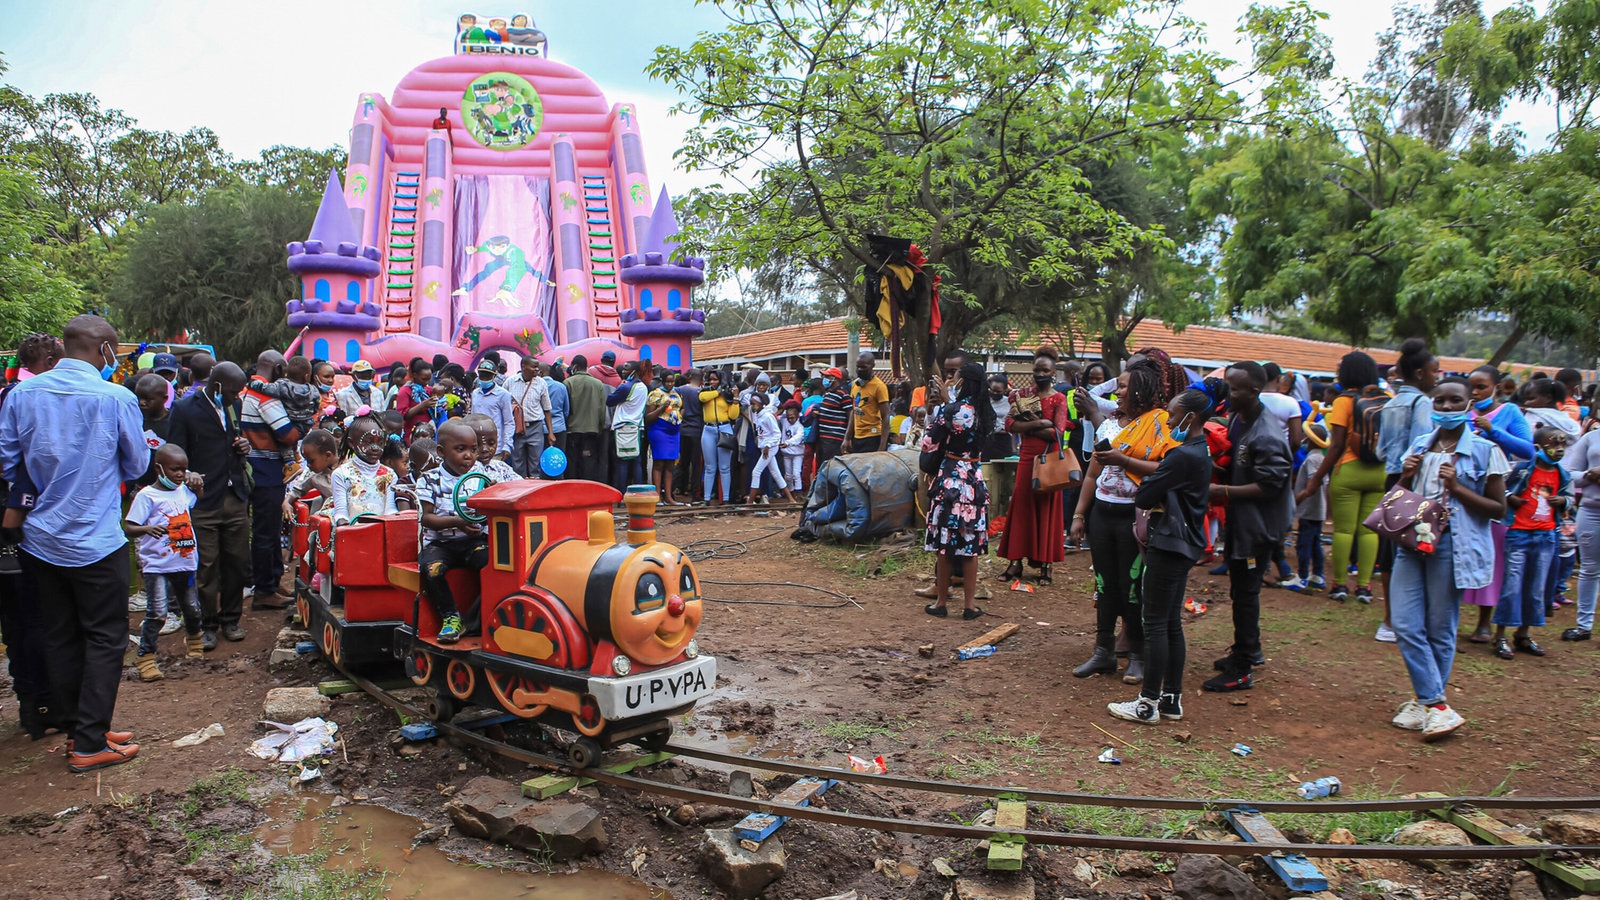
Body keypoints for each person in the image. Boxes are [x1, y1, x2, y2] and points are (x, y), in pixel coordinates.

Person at [0, 315, 148, 772]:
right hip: (96, 541)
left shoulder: (22, 395)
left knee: (60, 633)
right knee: (106, 638)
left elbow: (8, 462)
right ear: (105, 350)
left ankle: (81, 724)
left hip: (40, 539)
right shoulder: (116, 397)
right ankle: (88, 744)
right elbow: (138, 462)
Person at [1391, 377, 1508, 741]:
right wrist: (1406, 475)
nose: (1445, 408)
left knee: (1441, 628)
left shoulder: (1486, 451)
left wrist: (1457, 488)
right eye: (1438, 402)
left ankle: (1424, 702)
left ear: (1469, 403)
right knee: (1406, 623)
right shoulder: (1418, 446)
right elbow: (1395, 498)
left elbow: (1498, 508)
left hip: (1453, 544)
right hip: (1412, 541)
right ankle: (1435, 704)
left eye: (1454, 401)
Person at [1107, 389, 1213, 725]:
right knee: (1170, 624)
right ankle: (1171, 699)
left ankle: (1147, 703)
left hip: (1167, 542)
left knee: (1154, 623)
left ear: (1189, 417)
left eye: (1172, 413)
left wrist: (1154, 483)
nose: (1167, 420)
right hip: (1186, 543)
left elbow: (1145, 495)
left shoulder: (1182, 456)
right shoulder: (1201, 450)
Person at [1205, 362, 1294, 694]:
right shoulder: (1238, 420)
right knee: (1240, 589)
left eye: (1236, 389)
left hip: (1260, 528)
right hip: (1241, 522)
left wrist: (1221, 491)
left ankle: (1242, 667)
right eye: (1228, 386)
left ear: (1255, 392)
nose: (1229, 393)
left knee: (1245, 593)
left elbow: (1271, 484)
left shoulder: (1266, 433)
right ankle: (1248, 649)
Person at [1071, 368, 1148, 683]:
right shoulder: (1112, 425)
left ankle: (1138, 654)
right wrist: (1079, 515)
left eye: (1124, 387)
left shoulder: (1153, 426)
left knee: (1131, 587)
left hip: (1133, 515)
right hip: (1103, 514)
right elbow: (1093, 474)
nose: (1117, 393)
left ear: (1141, 391)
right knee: (1104, 585)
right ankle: (1103, 651)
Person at [169, 361, 252, 649]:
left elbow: (234, 439)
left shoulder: (234, 405)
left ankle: (231, 619)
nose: (236, 396)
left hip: (235, 496)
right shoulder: (184, 409)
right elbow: (174, 451)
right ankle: (208, 624)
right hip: (203, 499)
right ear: (217, 386)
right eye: (232, 391)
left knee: (237, 562)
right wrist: (186, 471)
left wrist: (244, 447)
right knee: (206, 566)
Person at [1297, 352, 1388, 604]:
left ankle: (1339, 585)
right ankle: (1365, 587)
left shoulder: (1343, 401)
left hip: (1348, 470)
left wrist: (1315, 481)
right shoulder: (1387, 399)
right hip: (1379, 472)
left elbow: (1335, 446)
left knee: (1344, 530)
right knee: (1369, 531)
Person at [1459, 365, 1535, 641]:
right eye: (1472, 387)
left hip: (1496, 496)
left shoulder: (1510, 413)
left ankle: (1484, 622)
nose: (1476, 392)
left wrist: (1493, 432)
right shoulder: (1461, 412)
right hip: (1461, 493)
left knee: (1494, 557)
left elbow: (1527, 450)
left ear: (1497, 387)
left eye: (1481, 387)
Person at [1373, 339, 1440, 641]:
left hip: (1392, 481)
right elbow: (1421, 446)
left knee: (1389, 550)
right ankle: (1410, 620)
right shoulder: (1422, 402)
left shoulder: (1390, 402)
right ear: (1420, 373)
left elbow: (1379, 451)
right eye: (1434, 372)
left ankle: (1389, 620)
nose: (1437, 377)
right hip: (1415, 481)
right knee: (1419, 547)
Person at [124, 444, 205, 681]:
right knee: (157, 612)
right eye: (174, 469)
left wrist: (197, 482)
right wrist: (147, 528)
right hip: (157, 565)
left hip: (186, 561)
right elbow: (129, 527)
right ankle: (146, 657)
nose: (180, 474)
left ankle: (194, 641)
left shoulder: (182, 491)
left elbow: (198, 498)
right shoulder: (147, 496)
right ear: (158, 468)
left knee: (191, 607)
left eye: (183, 469)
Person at [1491, 425, 1569, 660]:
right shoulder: (1523, 469)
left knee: (1536, 588)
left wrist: (1563, 500)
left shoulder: (1561, 474)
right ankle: (1500, 635)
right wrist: (1510, 498)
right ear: (1538, 447)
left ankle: (1523, 634)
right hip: (1519, 535)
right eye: (1553, 444)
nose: (1559, 449)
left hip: (1546, 536)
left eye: (1563, 444)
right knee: (1512, 586)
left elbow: (1570, 497)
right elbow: (1500, 489)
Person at [922, 362, 992, 620]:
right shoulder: (986, 412)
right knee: (970, 544)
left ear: (963, 382)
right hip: (974, 480)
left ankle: (941, 602)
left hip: (950, 479)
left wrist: (939, 407)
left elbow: (929, 443)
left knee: (945, 543)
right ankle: (970, 606)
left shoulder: (951, 410)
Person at [997, 346, 1071, 584]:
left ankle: (1045, 566)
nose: (1040, 373)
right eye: (1037, 369)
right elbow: (1010, 425)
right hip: (1027, 457)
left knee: (1047, 507)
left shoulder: (1059, 398)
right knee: (1021, 507)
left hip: (1050, 459)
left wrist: (1029, 424)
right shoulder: (1025, 394)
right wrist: (1041, 422)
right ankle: (1015, 562)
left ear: (1053, 372)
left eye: (1045, 370)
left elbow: (1057, 432)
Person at [415, 421, 488, 643]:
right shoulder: (429, 479)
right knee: (432, 569)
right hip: (440, 545)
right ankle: (450, 616)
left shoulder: (480, 474)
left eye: (473, 449)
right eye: (460, 449)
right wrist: (457, 522)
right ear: (441, 452)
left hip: (471, 541)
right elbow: (427, 518)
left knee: (497, 564)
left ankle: (473, 620)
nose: (469, 456)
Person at [241, 351, 303, 611]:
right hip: (266, 468)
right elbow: (287, 434)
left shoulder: (244, 391)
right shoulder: (265, 396)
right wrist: (300, 428)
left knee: (267, 528)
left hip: (252, 466)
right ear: (277, 368)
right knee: (267, 531)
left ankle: (272, 581)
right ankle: (265, 590)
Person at [331, 416, 401, 526]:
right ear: (351, 443)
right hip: (351, 533)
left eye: (380, 443)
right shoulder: (341, 474)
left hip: (381, 533)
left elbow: (390, 509)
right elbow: (341, 513)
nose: (375, 448)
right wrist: (345, 527)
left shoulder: (390, 475)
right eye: (369, 442)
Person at [1292, 421, 1329, 593]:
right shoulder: (1321, 457)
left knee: (1303, 544)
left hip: (1309, 510)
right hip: (1317, 510)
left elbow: (1312, 484)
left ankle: (1302, 577)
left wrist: (1299, 498)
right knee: (1315, 544)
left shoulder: (1313, 459)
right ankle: (1318, 576)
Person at [505, 356, 552, 477]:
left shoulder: (541, 383)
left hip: (536, 427)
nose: (537, 370)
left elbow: (547, 409)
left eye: (537, 367)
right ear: (523, 367)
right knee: (517, 462)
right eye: (534, 367)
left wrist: (550, 433)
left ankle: (534, 488)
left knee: (535, 463)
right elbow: (503, 404)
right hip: (517, 428)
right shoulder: (510, 382)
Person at [564, 355, 608, 483]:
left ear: (575, 366)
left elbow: (565, 408)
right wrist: (599, 427)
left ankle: (572, 488)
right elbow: (602, 409)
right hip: (591, 429)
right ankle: (588, 488)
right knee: (588, 460)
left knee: (572, 460)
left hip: (572, 429)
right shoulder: (598, 384)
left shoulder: (568, 382)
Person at [607, 361, 650, 489]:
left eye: (626, 369)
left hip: (623, 428)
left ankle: (622, 494)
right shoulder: (643, 387)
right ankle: (637, 493)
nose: (623, 372)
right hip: (637, 426)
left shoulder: (626, 387)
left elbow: (609, 401)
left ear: (634, 371)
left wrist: (621, 386)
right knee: (636, 461)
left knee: (622, 462)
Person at [747, 393, 794, 504]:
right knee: (776, 473)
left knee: (756, 472)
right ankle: (791, 499)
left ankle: (750, 502)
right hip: (764, 447)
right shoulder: (758, 416)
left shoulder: (768, 416)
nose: (752, 407)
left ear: (760, 404)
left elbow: (777, 434)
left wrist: (768, 445)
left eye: (753, 404)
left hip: (770, 448)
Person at [284, 429, 339, 518]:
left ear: (328, 455)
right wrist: (286, 502)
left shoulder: (349, 468)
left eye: (311, 461)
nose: (308, 465)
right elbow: (297, 490)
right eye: (306, 460)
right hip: (328, 520)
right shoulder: (314, 474)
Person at [260, 356, 322, 435]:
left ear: (286, 374)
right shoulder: (314, 390)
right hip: (306, 424)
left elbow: (266, 388)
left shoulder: (282, 386)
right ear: (306, 376)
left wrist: (253, 383)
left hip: (289, 422)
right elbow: (316, 406)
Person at [469, 359, 515, 462]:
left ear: (494, 376)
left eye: (488, 376)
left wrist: (507, 446)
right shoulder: (475, 393)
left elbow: (509, 422)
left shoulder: (503, 395)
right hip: (476, 446)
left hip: (495, 448)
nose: (484, 379)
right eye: (482, 375)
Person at [646, 377, 682, 502]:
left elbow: (683, 406)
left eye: (672, 381)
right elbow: (648, 416)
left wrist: (679, 416)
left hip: (674, 432)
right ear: (663, 381)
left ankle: (668, 496)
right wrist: (662, 408)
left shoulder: (676, 393)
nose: (670, 384)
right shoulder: (655, 394)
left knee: (670, 464)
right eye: (667, 381)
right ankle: (656, 496)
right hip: (659, 431)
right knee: (659, 463)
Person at [847, 352, 892, 453]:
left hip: (873, 437)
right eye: (858, 367)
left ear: (872, 366)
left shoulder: (879, 386)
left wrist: (882, 447)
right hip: (857, 437)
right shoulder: (854, 384)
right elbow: (854, 411)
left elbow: (885, 417)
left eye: (863, 367)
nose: (860, 370)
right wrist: (847, 438)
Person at [675, 370, 705, 500]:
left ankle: (680, 488)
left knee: (683, 462)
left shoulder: (680, 390)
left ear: (690, 377)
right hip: (697, 430)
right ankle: (695, 493)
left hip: (682, 429)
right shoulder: (702, 393)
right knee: (696, 463)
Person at [812, 368, 851, 469]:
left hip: (835, 440)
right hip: (824, 439)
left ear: (835, 379)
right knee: (823, 468)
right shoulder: (828, 394)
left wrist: (847, 438)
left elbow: (851, 416)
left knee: (832, 468)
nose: (824, 379)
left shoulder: (843, 395)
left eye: (827, 377)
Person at [396, 358, 436, 430]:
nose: (427, 382)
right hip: (412, 432)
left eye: (429, 379)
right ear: (414, 375)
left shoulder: (429, 390)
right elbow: (403, 415)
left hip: (430, 431)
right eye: (424, 379)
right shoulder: (405, 391)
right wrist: (423, 405)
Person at [982, 374, 1014, 460]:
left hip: (1003, 440)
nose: (995, 393)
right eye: (992, 390)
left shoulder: (1009, 402)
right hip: (986, 440)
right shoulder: (984, 401)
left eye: (998, 391)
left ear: (1005, 390)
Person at [778, 400, 806, 493]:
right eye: (788, 417)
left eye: (792, 418)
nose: (790, 420)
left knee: (796, 474)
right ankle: (790, 491)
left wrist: (788, 443)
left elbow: (798, 437)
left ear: (798, 415)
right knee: (788, 475)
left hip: (798, 453)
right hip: (786, 453)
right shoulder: (784, 420)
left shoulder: (800, 425)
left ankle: (798, 492)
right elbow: (777, 416)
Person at [544, 362, 569, 456]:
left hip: (541, 428)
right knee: (558, 457)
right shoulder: (561, 387)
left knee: (543, 457)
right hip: (559, 426)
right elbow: (566, 409)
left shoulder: (536, 386)